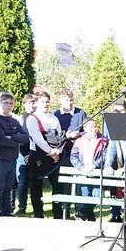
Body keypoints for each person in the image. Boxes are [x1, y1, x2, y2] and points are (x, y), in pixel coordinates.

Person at [25, 90, 64, 219]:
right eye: (42, 102)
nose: (45, 104)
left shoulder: (54, 118)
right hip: (38, 155)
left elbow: (60, 136)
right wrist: (51, 152)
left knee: (57, 186)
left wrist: (58, 151)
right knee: (36, 186)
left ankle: (58, 214)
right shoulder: (32, 118)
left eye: (47, 101)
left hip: (55, 156)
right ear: (36, 103)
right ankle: (38, 214)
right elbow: (37, 138)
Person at [0, 92, 30, 216]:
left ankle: (7, 213)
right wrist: (16, 142)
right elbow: (0, 139)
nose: (8, 105)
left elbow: (26, 137)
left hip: (12, 159)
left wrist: (11, 137)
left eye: (11, 103)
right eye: (5, 103)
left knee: (8, 188)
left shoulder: (14, 121)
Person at [50, 88, 85, 219]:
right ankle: (57, 213)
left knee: (73, 185)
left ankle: (76, 211)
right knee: (57, 184)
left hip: (75, 154)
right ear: (60, 100)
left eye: (71, 100)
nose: (69, 103)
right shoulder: (55, 114)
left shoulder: (80, 113)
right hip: (59, 154)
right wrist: (66, 136)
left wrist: (78, 134)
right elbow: (51, 134)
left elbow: (87, 130)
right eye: (66, 100)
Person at [70, 118, 106, 222]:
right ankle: (88, 215)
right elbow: (73, 156)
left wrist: (94, 165)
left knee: (97, 196)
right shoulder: (79, 141)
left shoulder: (103, 140)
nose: (94, 129)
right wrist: (81, 167)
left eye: (95, 126)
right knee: (85, 196)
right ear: (85, 128)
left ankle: (81, 213)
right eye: (91, 127)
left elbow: (104, 156)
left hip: (96, 173)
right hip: (84, 173)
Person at [14, 94, 36, 215]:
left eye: (33, 103)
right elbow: (20, 138)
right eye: (29, 103)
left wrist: (32, 155)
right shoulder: (20, 119)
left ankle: (36, 208)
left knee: (35, 183)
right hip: (22, 155)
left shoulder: (38, 118)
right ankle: (22, 207)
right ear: (24, 104)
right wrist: (26, 155)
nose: (32, 105)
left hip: (35, 154)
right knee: (22, 183)